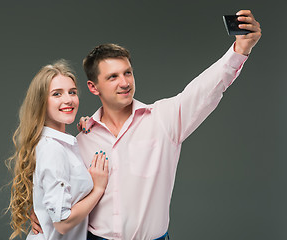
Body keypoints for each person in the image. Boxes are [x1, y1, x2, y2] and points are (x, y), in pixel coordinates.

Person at [31, 10, 261, 239]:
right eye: (113, 77)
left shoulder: (164, 118)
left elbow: (205, 89)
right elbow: (58, 192)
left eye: (128, 73)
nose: (124, 83)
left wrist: (239, 51)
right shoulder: (81, 140)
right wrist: (40, 212)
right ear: (93, 87)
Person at [6, 60, 109, 240]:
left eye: (72, 92)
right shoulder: (53, 149)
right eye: (56, 94)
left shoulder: (60, 144)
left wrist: (89, 128)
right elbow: (62, 223)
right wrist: (98, 189)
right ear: (41, 102)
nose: (68, 99)